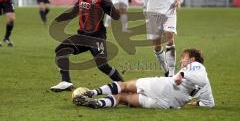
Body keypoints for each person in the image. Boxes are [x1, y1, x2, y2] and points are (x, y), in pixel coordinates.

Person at [50, 0, 124, 92]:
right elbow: (74, 11)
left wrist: (112, 7)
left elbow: (116, 17)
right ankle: (66, 81)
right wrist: (59, 20)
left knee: (103, 66)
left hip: (97, 38)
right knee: (61, 50)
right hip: (82, 36)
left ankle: (123, 84)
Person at [73, 48, 215, 109]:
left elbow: (200, 78)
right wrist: (197, 104)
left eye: (183, 58)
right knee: (123, 98)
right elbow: (209, 104)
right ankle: (98, 103)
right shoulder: (206, 84)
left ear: (192, 59)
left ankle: (91, 93)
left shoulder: (196, 65)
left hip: (165, 87)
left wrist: (182, 74)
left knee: (124, 86)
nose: (181, 61)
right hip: (170, 105)